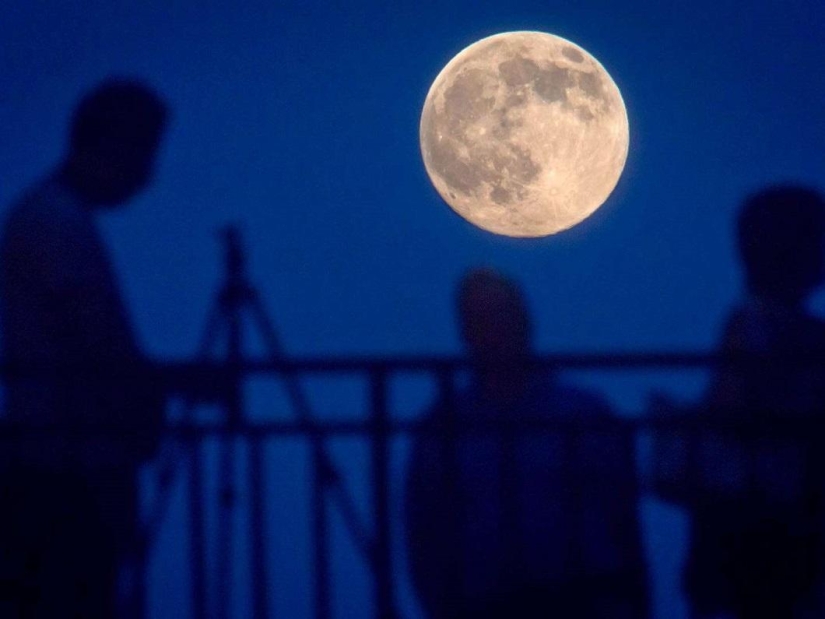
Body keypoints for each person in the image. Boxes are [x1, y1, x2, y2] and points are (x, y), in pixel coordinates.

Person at [0, 78, 169, 618]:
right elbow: (95, 338)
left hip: (63, 461)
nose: (146, 171)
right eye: (141, 150)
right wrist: (139, 401)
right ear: (108, 143)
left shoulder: (47, 216)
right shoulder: (55, 224)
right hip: (64, 470)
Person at [404, 268, 649, 619]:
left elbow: (621, 518)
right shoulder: (442, 430)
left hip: (580, 599)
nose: (497, 331)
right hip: (486, 603)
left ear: (524, 321)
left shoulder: (582, 414)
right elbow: (424, 536)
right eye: (483, 319)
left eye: (503, 315)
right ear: (466, 332)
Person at [653, 186, 825, 619]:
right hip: (786, 526)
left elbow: (729, 407)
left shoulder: (753, 323)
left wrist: (681, 421)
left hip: (751, 526)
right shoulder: (799, 331)